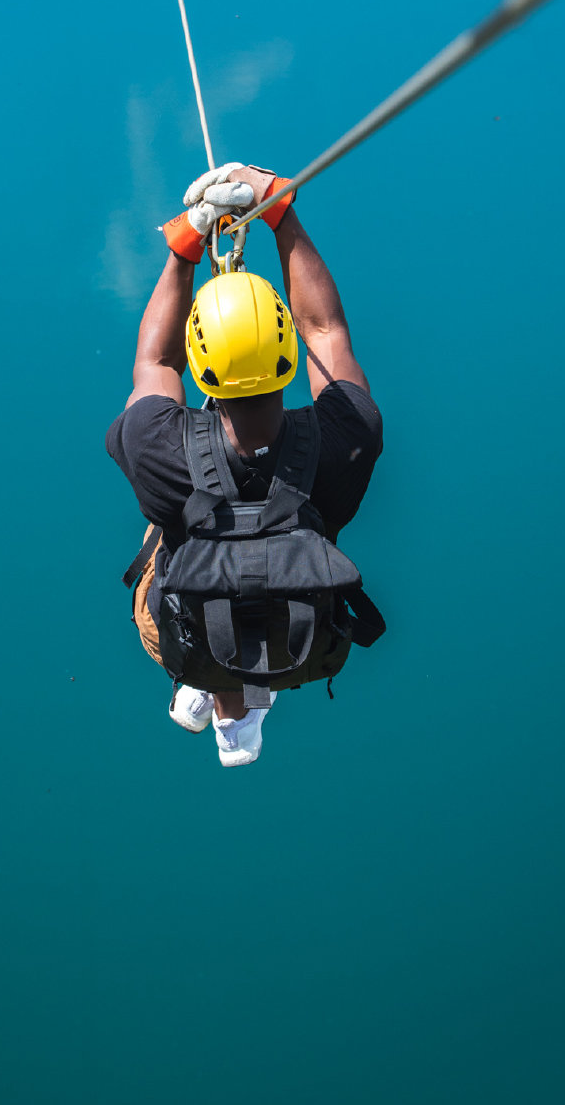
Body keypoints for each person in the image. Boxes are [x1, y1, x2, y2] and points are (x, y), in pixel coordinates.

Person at [106, 162, 383, 768]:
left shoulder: (158, 446)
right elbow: (325, 328)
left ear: (203, 369)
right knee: (244, 580)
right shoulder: (347, 436)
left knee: (179, 535)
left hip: (181, 632)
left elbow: (155, 363)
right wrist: (279, 209)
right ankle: (239, 717)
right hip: (297, 637)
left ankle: (217, 694)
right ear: (288, 354)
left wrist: (185, 246)